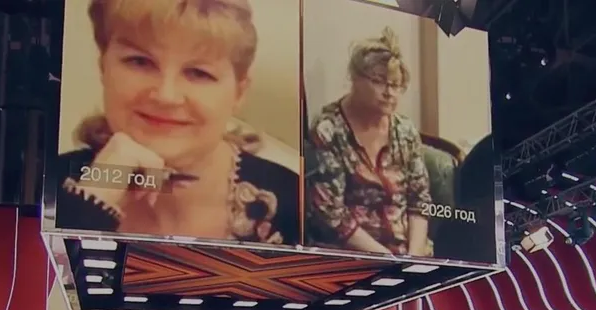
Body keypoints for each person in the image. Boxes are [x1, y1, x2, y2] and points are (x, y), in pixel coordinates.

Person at [51, 0, 299, 245]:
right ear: (103, 67)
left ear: (239, 93)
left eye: (199, 73)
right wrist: (90, 204)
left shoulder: (295, 201)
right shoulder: (47, 185)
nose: (166, 96)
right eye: (140, 61)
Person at [305, 27, 431, 256]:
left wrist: (414, 258)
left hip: (408, 254)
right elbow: (331, 215)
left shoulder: (406, 131)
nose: (389, 93)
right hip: (350, 255)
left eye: (396, 85)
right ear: (355, 79)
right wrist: (388, 260)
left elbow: (419, 202)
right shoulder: (328, 131)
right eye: (379, 82)